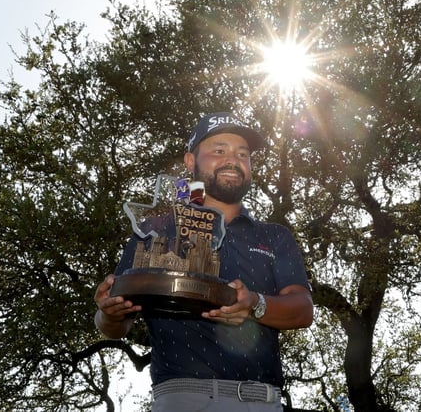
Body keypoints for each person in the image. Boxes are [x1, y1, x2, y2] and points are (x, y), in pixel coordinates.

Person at [94, 112, 314, 411]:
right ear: (190, 161)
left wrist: (253, 304)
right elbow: (114, 323)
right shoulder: (155, 228)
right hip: (181, 397)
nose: (233, 160)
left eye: (243, 154)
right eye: (219, 150)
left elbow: (302, 310)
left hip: (262, 400)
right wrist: (110, 313)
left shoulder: (274, 236)